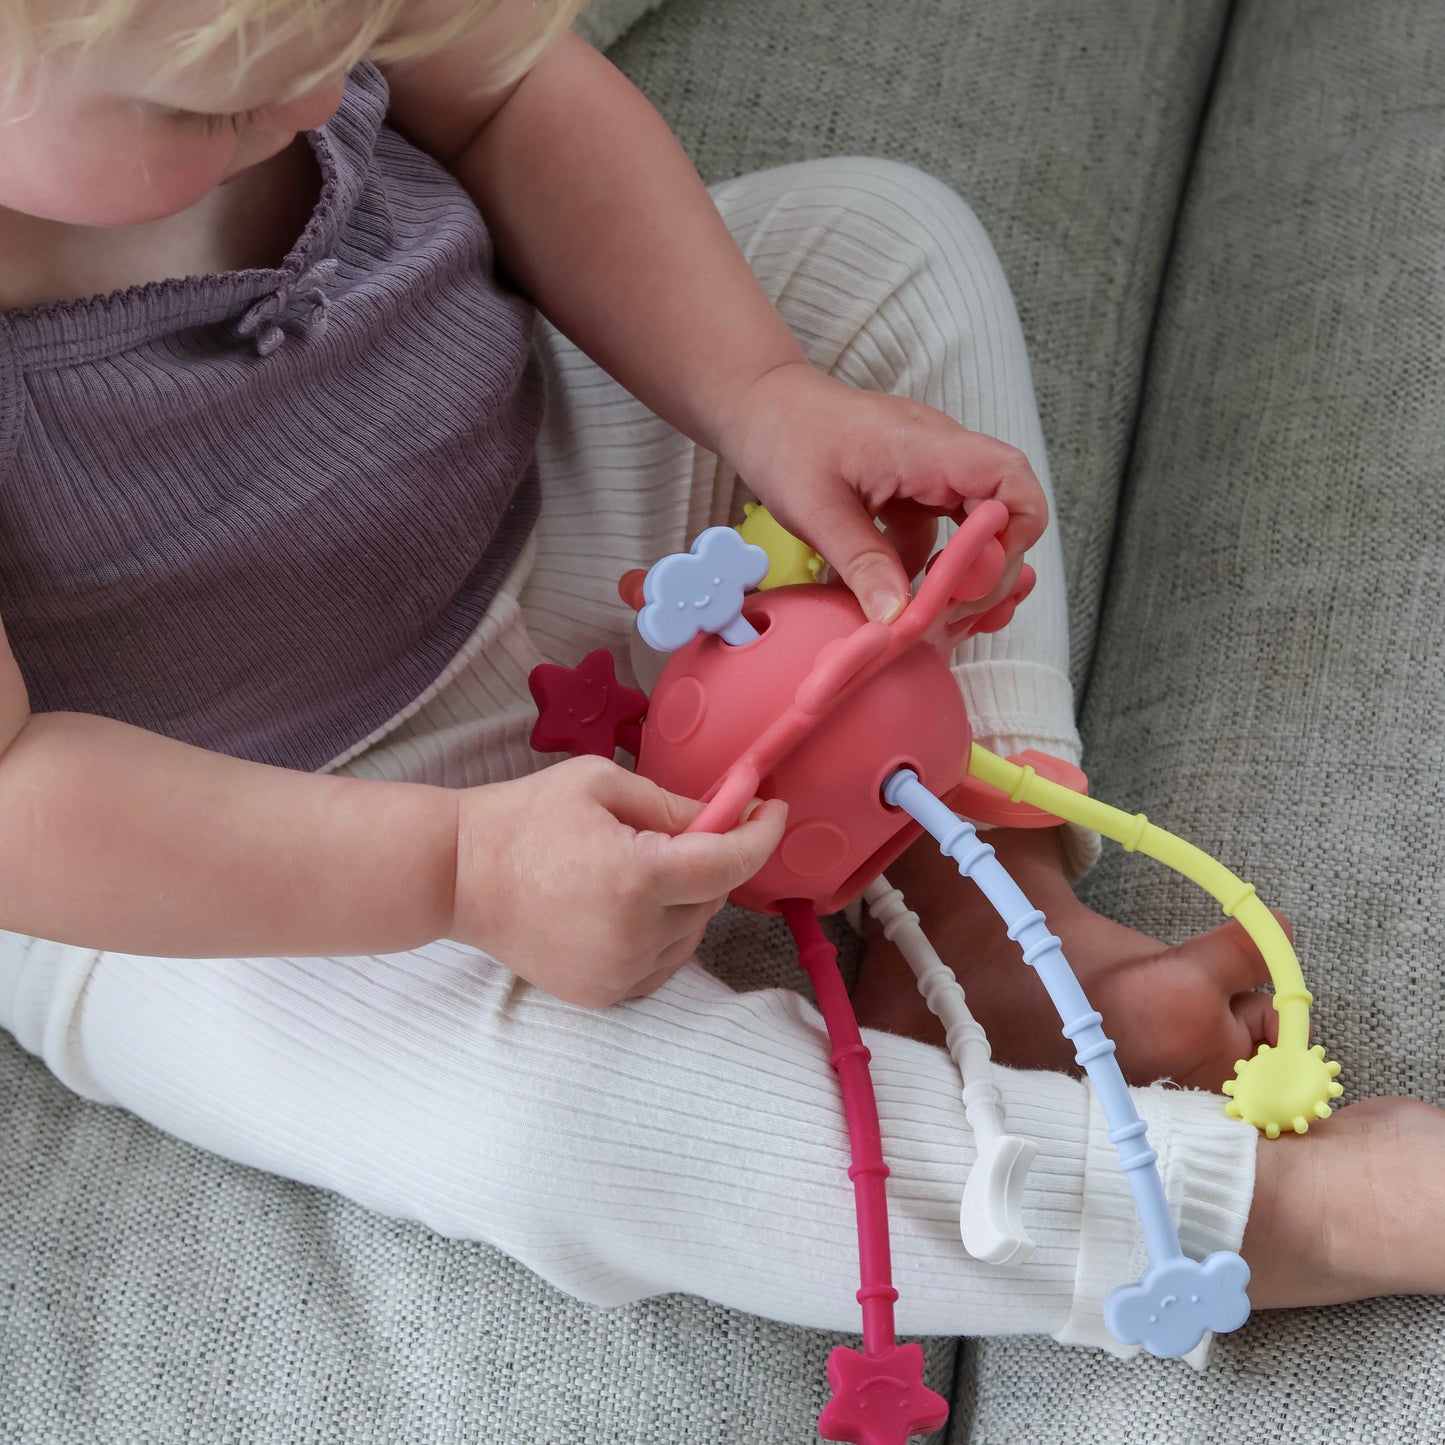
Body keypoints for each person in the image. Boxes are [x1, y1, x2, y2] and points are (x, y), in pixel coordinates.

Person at [0, 0, 1440, 1358]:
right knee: (536, 1133)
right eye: (225, 104)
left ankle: (979, 909)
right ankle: (1248, 1216)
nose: (328, 94)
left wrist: (761, 395)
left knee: (872, 237)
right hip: (225, 828)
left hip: (549, 501)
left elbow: (501, 95)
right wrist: (452, 868)